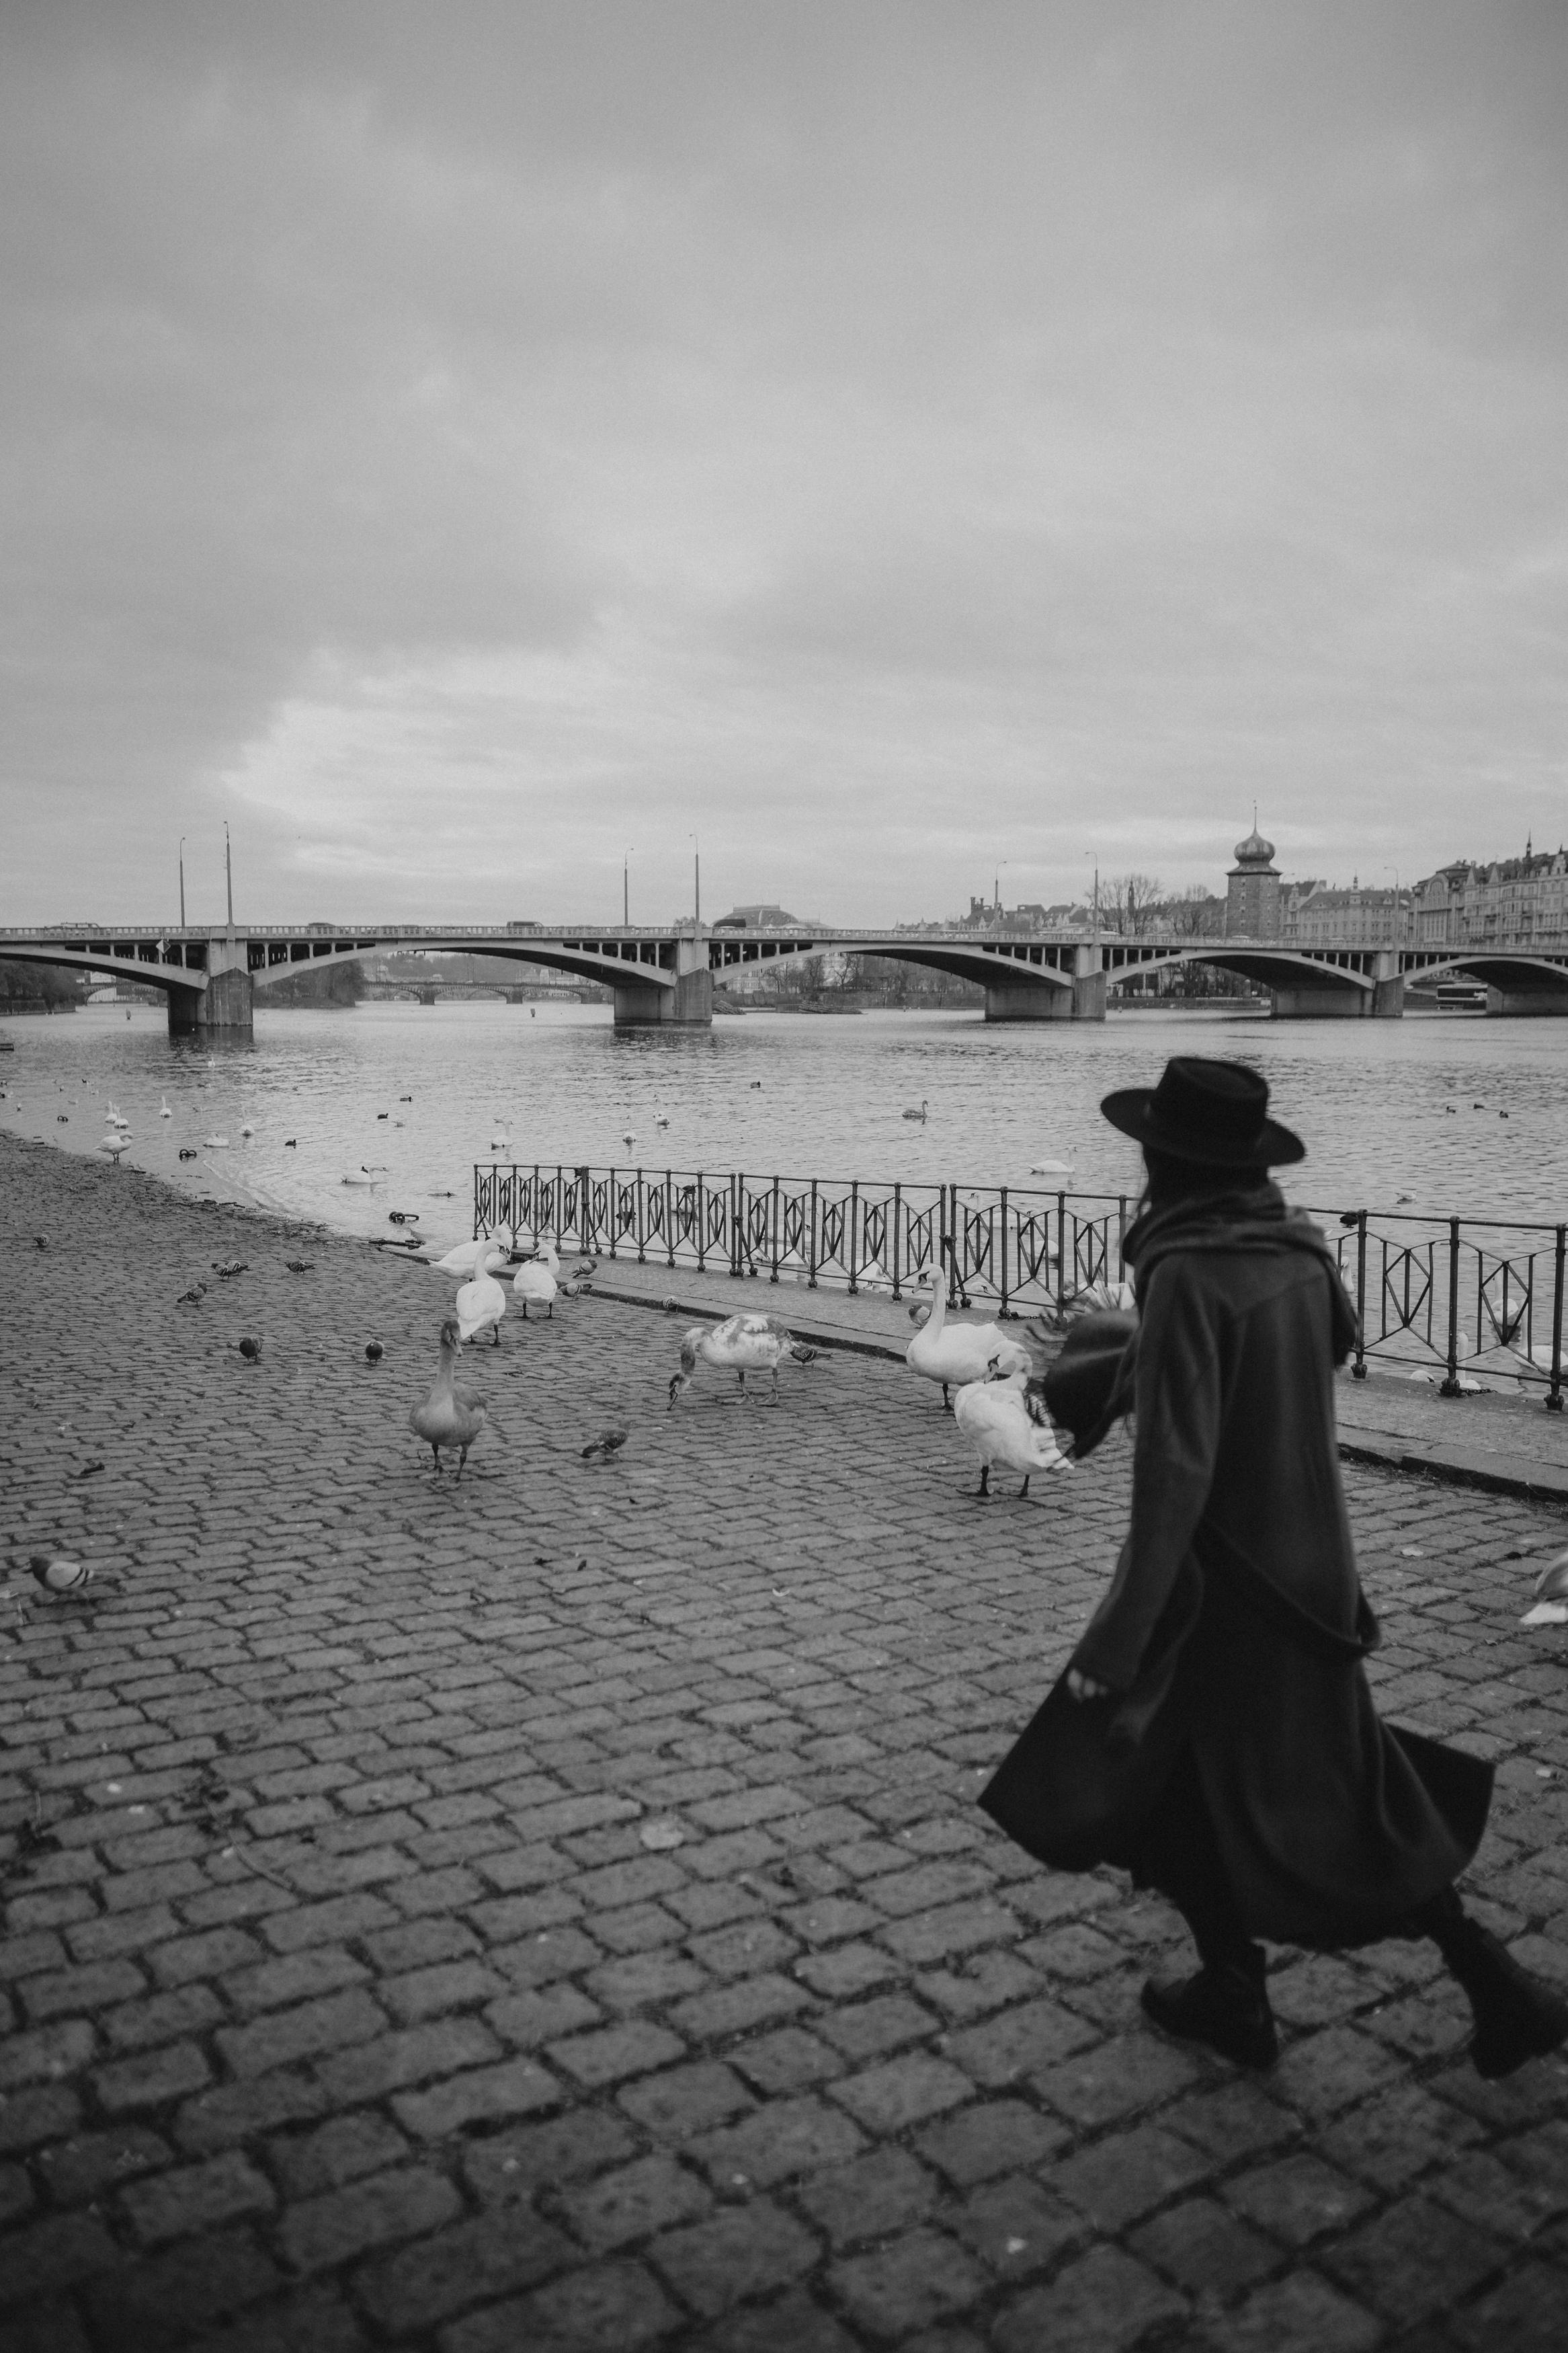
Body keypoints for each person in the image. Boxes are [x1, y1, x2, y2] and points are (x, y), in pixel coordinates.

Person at [982, 1056, 1568, 2078]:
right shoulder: (1293, 1251)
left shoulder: (1185, 1274)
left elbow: (1174, 1477)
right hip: (1314, 1566)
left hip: (1225, 1583)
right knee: (1311, 1777)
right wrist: (1139, 1352)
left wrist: (1117, 1641)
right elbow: (1330, 1345)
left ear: (1159, 1160)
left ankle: (1284, 1992)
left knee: (1213, 1781)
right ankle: (1455, 1987)